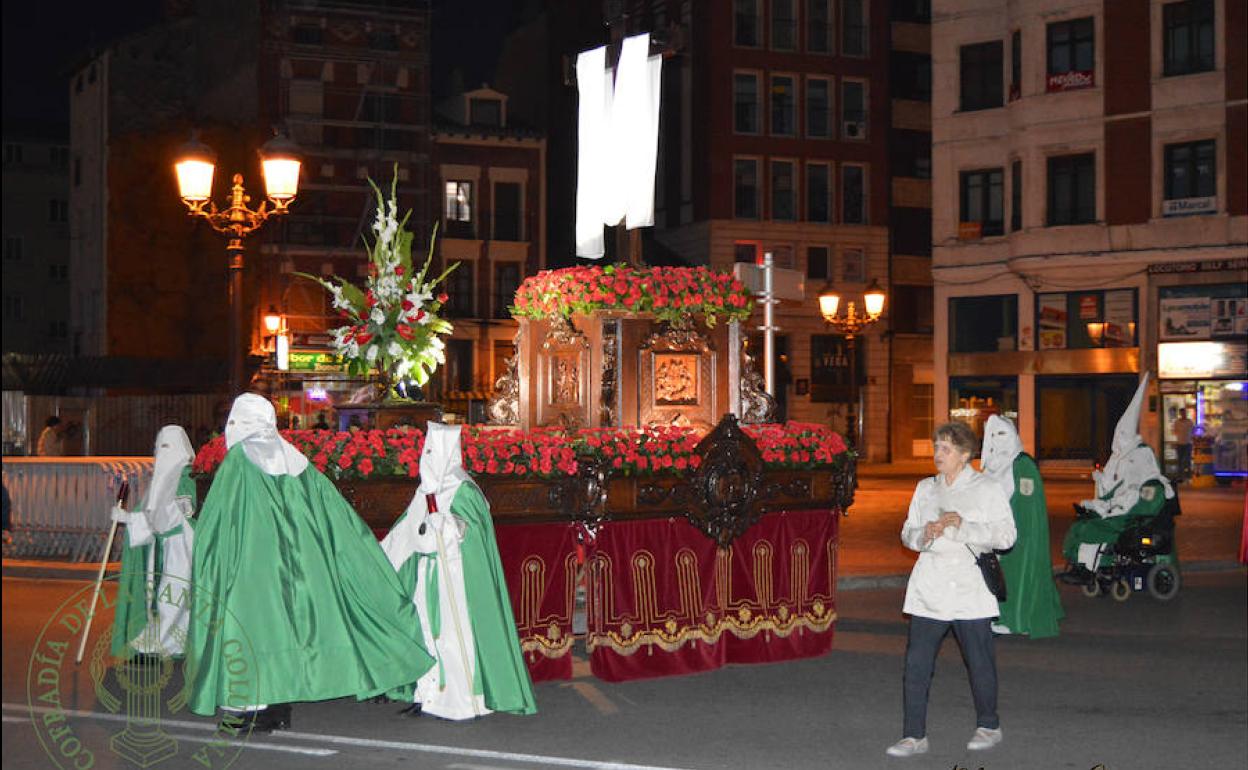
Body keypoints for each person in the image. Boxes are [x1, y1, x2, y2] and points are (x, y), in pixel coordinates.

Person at [186, 394, 434, 732]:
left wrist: (209, 559)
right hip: (301, 568)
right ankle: (276, 706)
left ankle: (255, 708)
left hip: (250, 571)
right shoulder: (297, 463)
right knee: (287, 631)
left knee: (250, 633)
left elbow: (217, 521)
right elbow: (336, 517)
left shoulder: (239, 462)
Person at [381, 422, 537, 720]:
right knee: (426, 632)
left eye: (431, 451)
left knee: (452, 637)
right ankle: (425, 695)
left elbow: (474, 533)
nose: (426, 457)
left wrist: (450, 526)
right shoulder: (424, 489)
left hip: (455, 577)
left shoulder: (464, 490)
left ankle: (459, 699)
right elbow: (407, 527)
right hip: (425, 575)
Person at [886, 421, 1017, 758]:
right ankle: (913, 735)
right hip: (929, 588)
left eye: (945, 448)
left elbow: (1006, 537)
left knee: (979, 662)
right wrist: (923, 535)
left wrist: (964, 525)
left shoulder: (986, 488)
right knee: (916, 664)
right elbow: (907, 534)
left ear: (964, 455)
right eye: (936, 447)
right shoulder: (925, 488)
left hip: (970, 589)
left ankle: (989, 726)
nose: (937, 454)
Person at [1063, 374, 1174, 574]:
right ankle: (1084, 565)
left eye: (1123, 434)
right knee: (1080, 526)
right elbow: (1111, 484)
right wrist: (1100, 480)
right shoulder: (1118, 456)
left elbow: (1145, 483)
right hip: (1118, 507)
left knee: (1090, 529)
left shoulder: (1141, 453)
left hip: (1128, 513)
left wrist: (1109, 504)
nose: (1119, 438)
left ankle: (1093, 566)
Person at [110, 426, 197, 659]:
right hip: (162, 549)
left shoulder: (186, 477)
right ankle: (160, 640)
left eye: (167, 446)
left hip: (181, 549)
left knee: (174, 597)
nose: (162, 452)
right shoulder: (163, 476)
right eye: (159, 447)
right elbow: (154, 516)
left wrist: (129, 519)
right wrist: (130, 519)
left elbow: (168, 517)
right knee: (159, 598)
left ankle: (168, 644)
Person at [979, 415, 1063, 638]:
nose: (997, 440)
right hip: (993, 531)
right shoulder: (991, 466)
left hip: (1017, 534)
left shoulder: (1022, 464)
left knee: (1014, 575)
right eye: (993, 435)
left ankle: (1015, 620)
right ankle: (995, 615)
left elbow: (1027, 505)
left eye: (1002, 434)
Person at [1171, 408, 1194, 481]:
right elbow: (1174, 431)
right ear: (1180, 414)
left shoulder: (1189, 422)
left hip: (1188, 443)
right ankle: (1180, 476)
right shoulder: (1177, 422)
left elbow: (1193, 430)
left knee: (1187, 460)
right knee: (1180, 460)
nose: (1183, 414)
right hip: (1180, 443)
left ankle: (1188, 475)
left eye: (1184, 413)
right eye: (1182, 413)